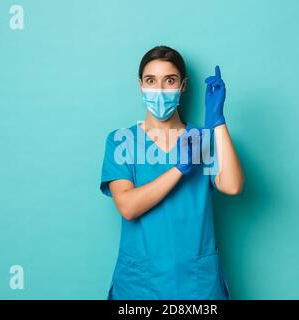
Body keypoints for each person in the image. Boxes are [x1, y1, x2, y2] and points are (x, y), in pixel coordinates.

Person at [100, 45, 244, 299]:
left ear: (183, 85)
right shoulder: (122, 141)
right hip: (140, 284)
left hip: (196, 283)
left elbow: (232, 186)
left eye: (169, 80)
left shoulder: (203, 139)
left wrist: (217, 121)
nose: (159, 90)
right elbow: (128, 206)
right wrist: (179, 169)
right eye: (151, 81)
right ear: (140, 85)